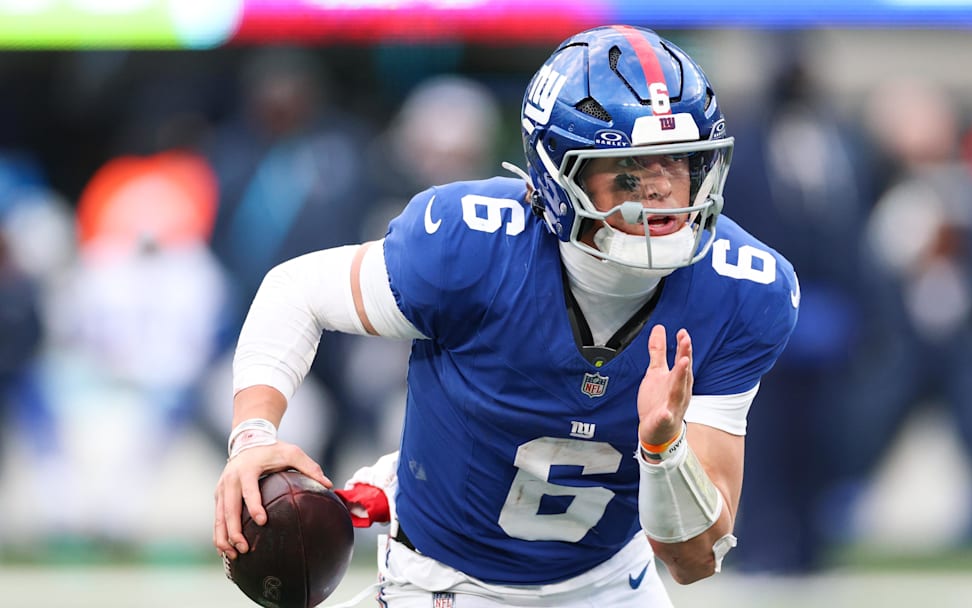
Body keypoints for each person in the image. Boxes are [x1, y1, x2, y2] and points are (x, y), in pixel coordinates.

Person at [214, 25, 798, 607]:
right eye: (629, 174)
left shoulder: (742, 289)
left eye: (680, 166)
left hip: (611, 586)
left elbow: (695, 561)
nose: (665, 198)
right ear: (558, 177)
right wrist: (254, 437)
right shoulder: (471, 244)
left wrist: (664, 451)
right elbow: (296, 290)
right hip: (445, 581)